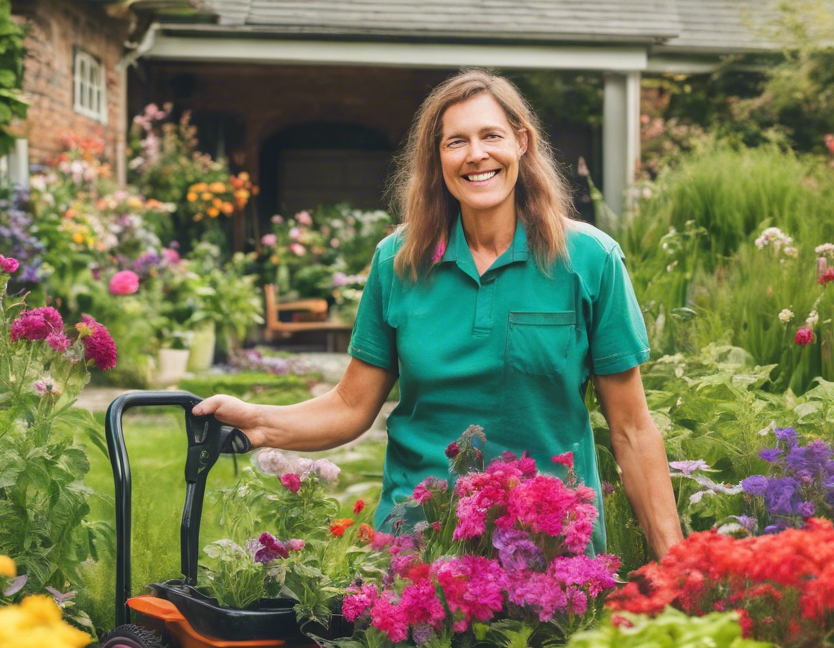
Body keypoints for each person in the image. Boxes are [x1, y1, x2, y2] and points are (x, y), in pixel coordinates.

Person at [194, 69, 684, 559]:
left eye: (491, 135)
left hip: (549, 547)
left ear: (521, 142)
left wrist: (677, 564)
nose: (476, 154)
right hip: (420, 546)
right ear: (438, 159)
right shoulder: (398, 261)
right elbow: (350, 407)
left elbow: (632, 430)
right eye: (456, 142)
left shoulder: (589, 259)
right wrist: (257, 421)